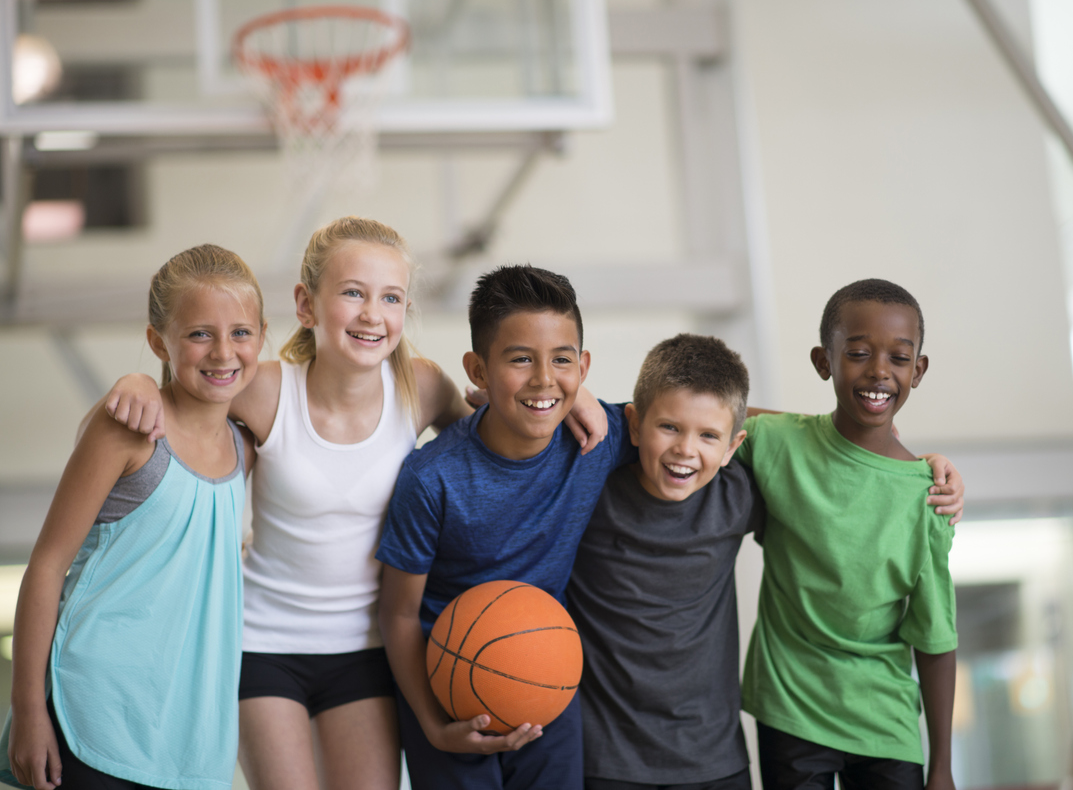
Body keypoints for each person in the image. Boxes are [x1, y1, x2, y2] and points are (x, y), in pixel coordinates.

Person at [95, 220, 607, 790]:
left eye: (390, 297)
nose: (371, 313)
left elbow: (498, 447)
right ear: (306, 305)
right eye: (352, 293)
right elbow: (191, 383)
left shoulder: (423, 387)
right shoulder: (265, 389)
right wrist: (140, 382)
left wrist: (572, 388)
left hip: (367, 650)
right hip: (262, 644)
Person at [567, 333, 964, 790]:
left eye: (708, 436)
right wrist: (572, 393)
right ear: (635, 426)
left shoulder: (738, 491)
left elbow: (814, 453)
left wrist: (899, 458)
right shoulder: (587, 481)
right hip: (603, 759)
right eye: (669, 428)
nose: (685, 450)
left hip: (716, 760)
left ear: (733, 446)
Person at [1, 244, 265, 790]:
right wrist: (28, 710)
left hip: (190, 730)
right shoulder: (128, 428)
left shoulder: (248, 445)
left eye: (241, 332)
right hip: (94, 703)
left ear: (262, 336)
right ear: (157, 342)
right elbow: (47, 567)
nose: (223, 352)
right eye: (198, 334)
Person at [377, 264, 636, 790]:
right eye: (520, 359)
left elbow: (702, 421)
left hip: (547, 671)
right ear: (477, 369)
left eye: (561, 360)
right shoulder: (432, 478)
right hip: (448, 684)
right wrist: (431, 724)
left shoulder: (597, 439)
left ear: (583, 366)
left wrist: (815, 427)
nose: (544, 379)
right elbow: (398, 612)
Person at [737, 278, 958, 790]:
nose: (879, 371)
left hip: (886, 721)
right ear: (824, 361)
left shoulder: (928, 495)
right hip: (792, 706)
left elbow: (935, 635)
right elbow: (705, 415)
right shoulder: (779, 445)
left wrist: (942, 766)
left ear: (918, 370)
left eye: (899, 359)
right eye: (858, 353)